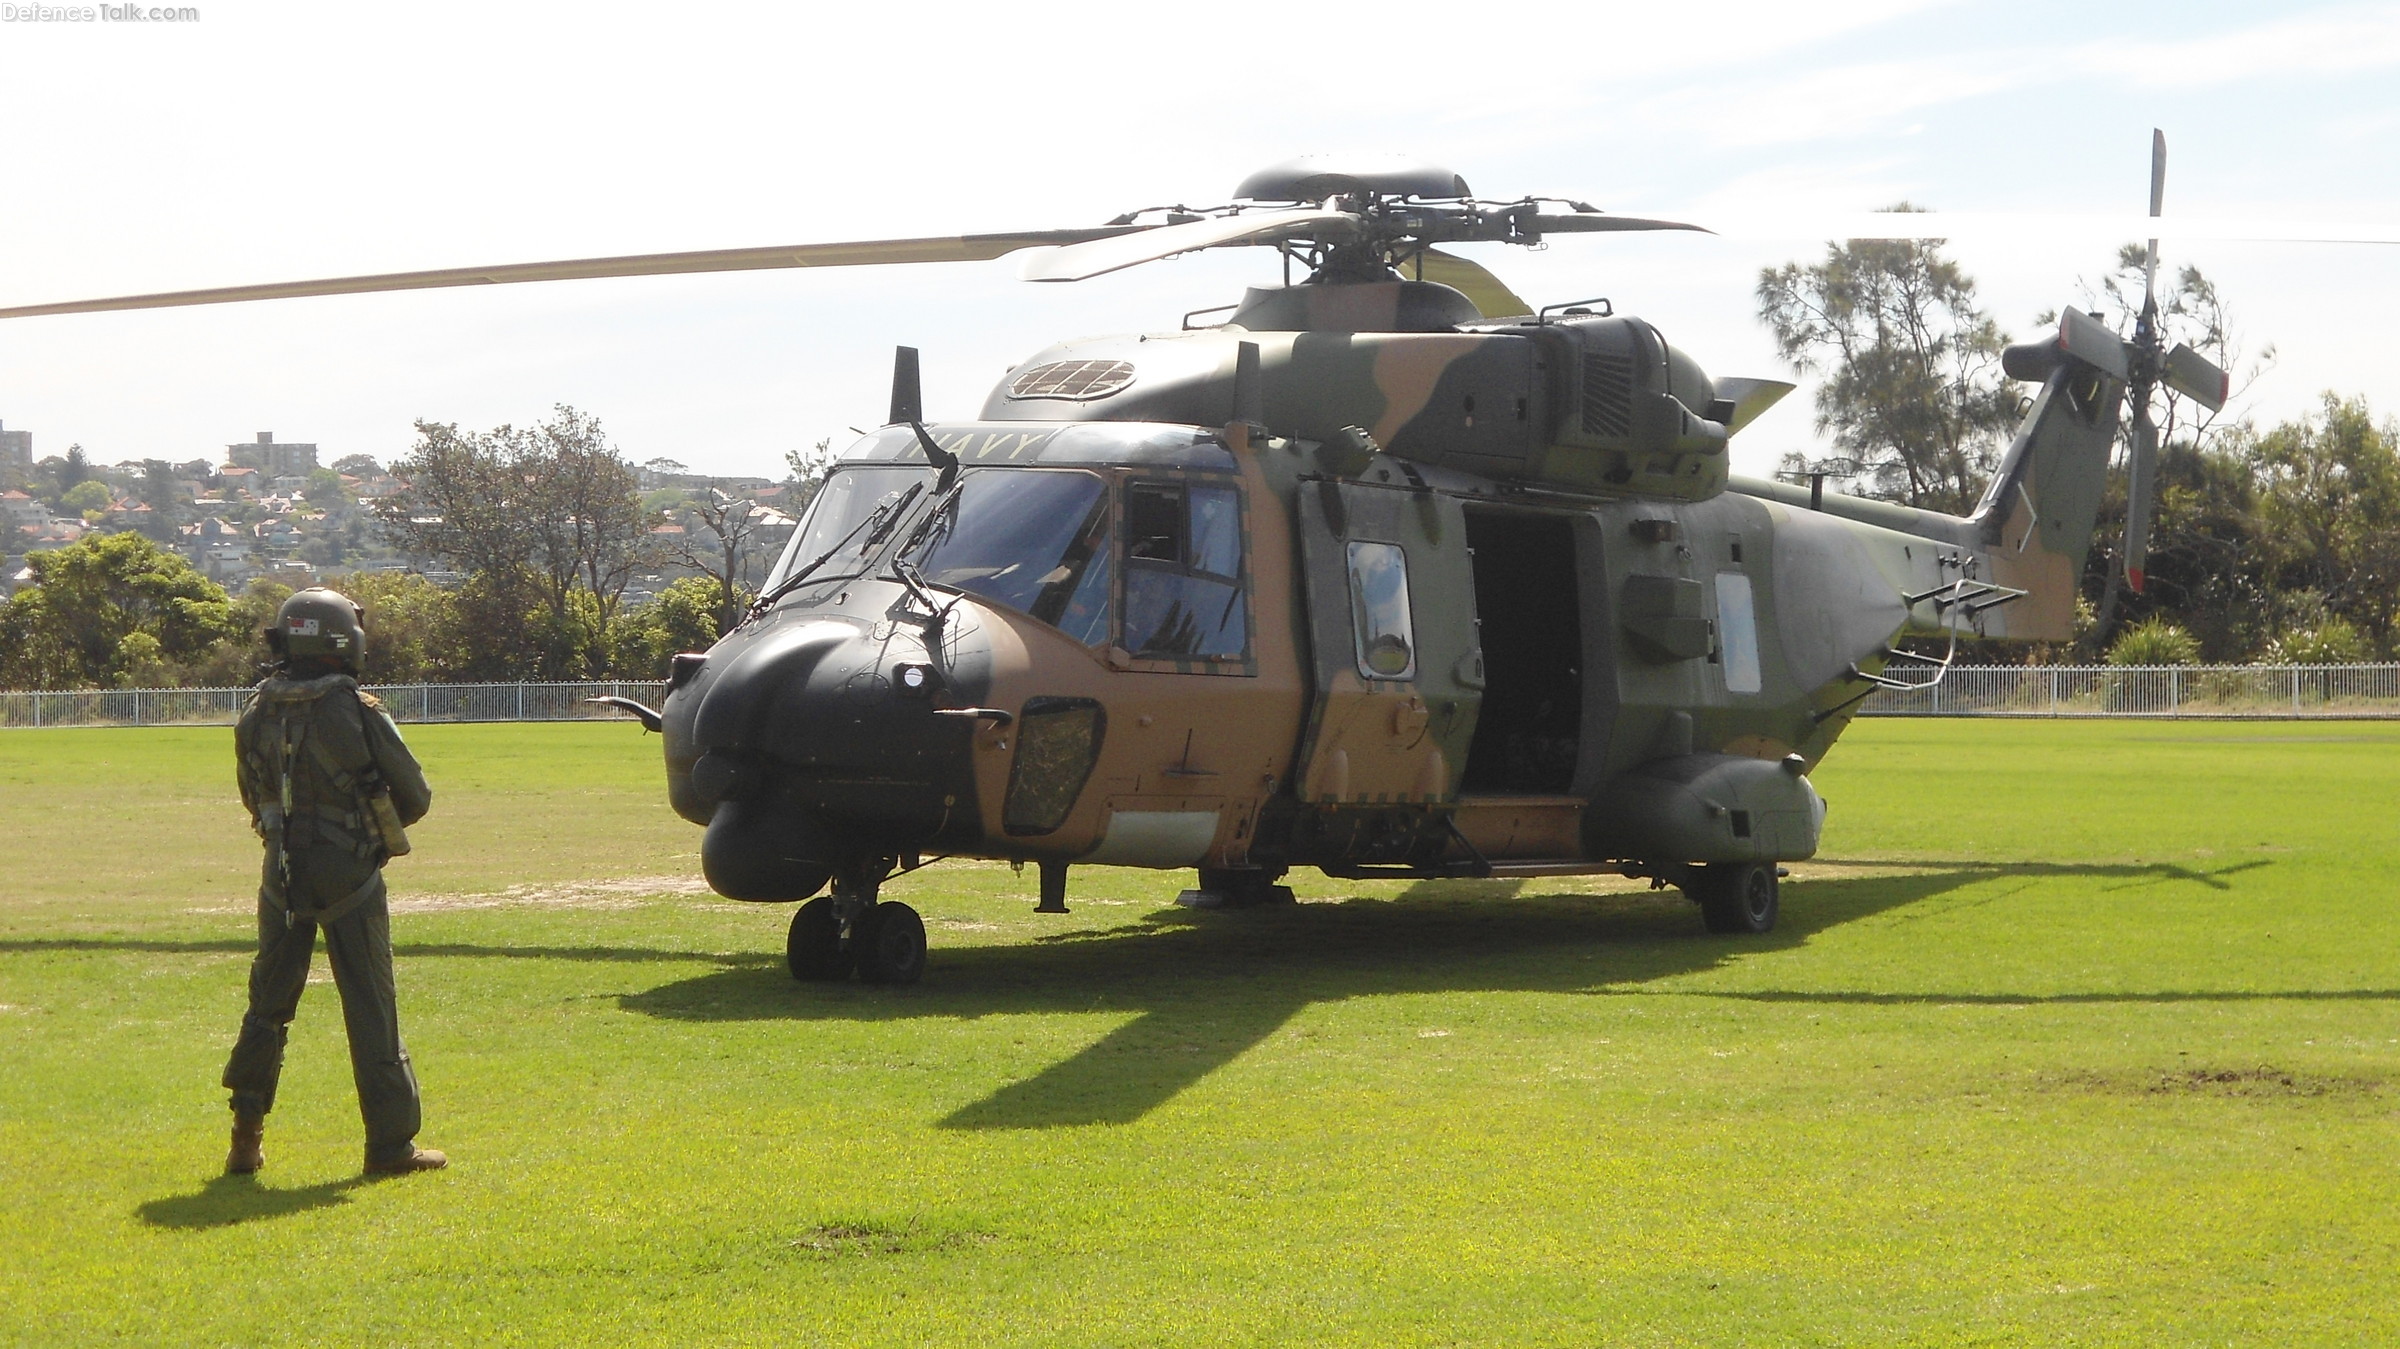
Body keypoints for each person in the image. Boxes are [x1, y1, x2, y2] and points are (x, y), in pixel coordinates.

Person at [219, 587, 443, 1177]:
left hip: (281, 874)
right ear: (343, 639)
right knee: (371, 1007)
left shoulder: (256, 708)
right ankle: (390, 1147)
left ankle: (246, 1134)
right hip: (350, 874)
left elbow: (252, 792)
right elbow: (415, 796)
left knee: (268, 1003)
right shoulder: (355, 706)